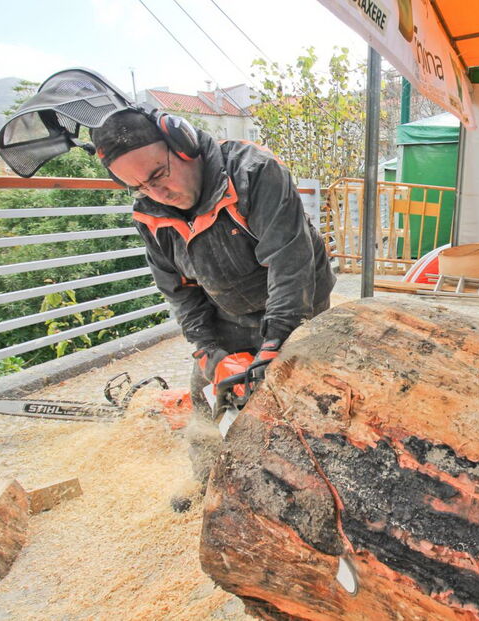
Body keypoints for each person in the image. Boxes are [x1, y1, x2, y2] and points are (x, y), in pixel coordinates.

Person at [90, 108, 335, 500]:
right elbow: (180, 294)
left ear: (183, 144)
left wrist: (274, 346)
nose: (157, 193)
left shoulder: (254, 173)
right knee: (205, 393)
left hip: (295, 300)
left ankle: (307, 492)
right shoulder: (150, 215)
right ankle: (207, 482)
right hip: (226, 308)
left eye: (157, 175)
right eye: (140, 187)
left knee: (299, 400)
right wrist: (210, 352)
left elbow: (290, 266)